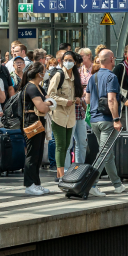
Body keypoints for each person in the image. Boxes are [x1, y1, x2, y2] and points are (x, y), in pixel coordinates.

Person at [86, 49, 127, 195]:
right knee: (104, 153)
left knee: (107, 153)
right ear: (110, 59)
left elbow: (87, 100)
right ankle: (91, 184)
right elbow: (111, 99)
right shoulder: (112, 77)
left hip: (95, 120)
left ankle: (117, 185)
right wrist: (116, 119)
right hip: (108, 121)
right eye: (114, 57)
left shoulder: (93, 77)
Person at [16, 62, 53, 196]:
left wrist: (47, 103)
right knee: (32, 154)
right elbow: (43, 107)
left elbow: (47, 101)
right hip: (31, 123)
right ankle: (29, 184)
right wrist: (48, 104)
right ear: (39, 73)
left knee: (37, 154)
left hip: (39, 122)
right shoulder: (31, 87)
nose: (46, 72)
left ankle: (36, 183)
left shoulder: (39, 87)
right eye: (44, 70)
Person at [46, 51, 82, 186]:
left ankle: (60, 173)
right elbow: (50, 95)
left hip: (70, 115)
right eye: (65, 59)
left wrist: (77, 99)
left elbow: (76, 93)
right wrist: (64, 101)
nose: (68, 62)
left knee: (68, 145)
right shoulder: (58, 75)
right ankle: (61, 174)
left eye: (70, 60)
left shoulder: (75, 76)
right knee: (60, 146)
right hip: (58, 115)